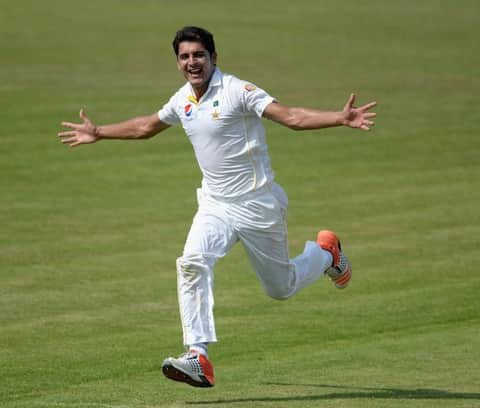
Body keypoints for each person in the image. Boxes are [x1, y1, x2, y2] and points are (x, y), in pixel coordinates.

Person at [58, 26, 377, 388]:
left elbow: (291, 117)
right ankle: (198, 356)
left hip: (258, 205)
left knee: (281, 287)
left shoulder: (238, 91)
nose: (191, 62)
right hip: (215, 205)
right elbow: (146, 126)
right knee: (191, 262)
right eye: (184, 56)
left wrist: (339, 117)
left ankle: (327, 256)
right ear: (177, 62)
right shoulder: (183, 100)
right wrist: (99, 132)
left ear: (213, 58)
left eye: (198, 55)